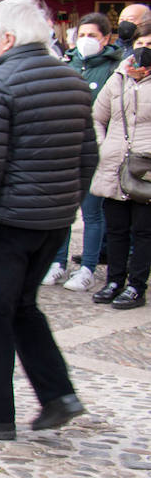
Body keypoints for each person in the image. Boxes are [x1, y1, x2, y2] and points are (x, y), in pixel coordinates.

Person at [0, 0, 96, 440]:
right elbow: (88, 157)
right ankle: (58, 394)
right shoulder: (70, 80)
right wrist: (64, 207)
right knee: (22, 307)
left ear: (7, 38)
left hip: (4, 222)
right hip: (50, 221)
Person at [46, 12, 123, 290]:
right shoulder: (66, 64)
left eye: (92, 35)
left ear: (106, 38)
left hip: (94, 149)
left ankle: (88, 267)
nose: (85, 41)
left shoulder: (114, 69)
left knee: (92, 213)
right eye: (81, 35)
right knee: (62, 211)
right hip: (64, 149)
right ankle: (57, 262)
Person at [88, 19, 151, 310]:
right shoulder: (118, 77)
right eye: (140, 44)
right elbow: (97, 116)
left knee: (143, 230)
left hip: (145, 166)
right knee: (116, 228)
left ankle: (137, 285)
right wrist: (103, 146)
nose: (143, 50)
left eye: (149, 45)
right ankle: (114, 280)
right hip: (115, 164)